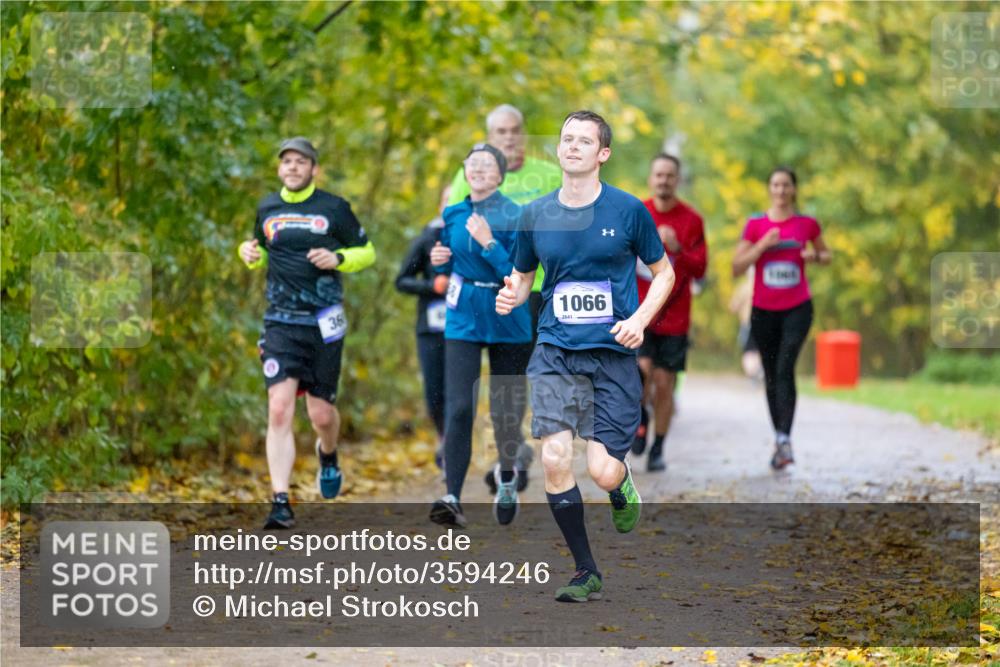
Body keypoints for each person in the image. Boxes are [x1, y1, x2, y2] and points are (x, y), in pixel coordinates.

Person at [496, 111, 675, 602]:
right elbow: (524, 276)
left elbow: (665, 274)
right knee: (554, 456)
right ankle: (584, 569)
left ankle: (621, 485)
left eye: (584, 140)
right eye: (566, 138)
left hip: (611, 354)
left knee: (601, 470)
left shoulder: (628, 211)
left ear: (603, 154)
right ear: (558, 149)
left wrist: (639, 320)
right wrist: (511, 294)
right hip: (554, 349)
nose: (572, 146)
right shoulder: (534, 213)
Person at [238, 137, 376, 529]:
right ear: (280, 169)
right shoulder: (268, 207)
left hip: (324, 323)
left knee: (321, 414)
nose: (293, 168)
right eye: (287, 162)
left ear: (313, 168)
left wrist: (340, 258)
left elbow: (368, 252)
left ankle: (328, 455)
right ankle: (280, 501)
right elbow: (262, 249)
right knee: (279, 407)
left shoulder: (335, 208)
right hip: (280, 321)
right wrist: (247, 254)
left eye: (301, 162)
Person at [446, 104, 563, 493]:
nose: (509, 137)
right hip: (476, 296)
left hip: (535, 289)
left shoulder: (547, 176)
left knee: (513, 382)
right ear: (489, 137)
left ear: (524, 134)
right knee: (469, 391)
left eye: (515, 130)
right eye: (501, 132)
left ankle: (507, 455)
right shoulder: (470, 175)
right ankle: (507, 458)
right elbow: (449, 228)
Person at [429, 143, 533, 528]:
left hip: (506, 313)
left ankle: (507, 474)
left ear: (501, 175)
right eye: (472, 164)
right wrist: (440, 259)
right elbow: (454, 257)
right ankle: (452, 496)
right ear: (465, 170)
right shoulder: (453, 212)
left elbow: (519, 274)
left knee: (505, 412)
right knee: (459, 407)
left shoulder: (517, 214)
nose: (478, 170)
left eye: (487, 165)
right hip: (464, 316)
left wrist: (489, 243)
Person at [731, 167, 831, 470]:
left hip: (798, 307)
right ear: (769, 189)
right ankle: (780, 438)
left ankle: (785, 438)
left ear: (794, 190)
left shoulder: (807, 224)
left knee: (786, 365)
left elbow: (826, 256)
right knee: (772, 374)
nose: (781, 190)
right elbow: (736, 266)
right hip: (763, 310)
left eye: (786, 185)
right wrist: (762, 246)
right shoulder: (756, 225)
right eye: (775, 185)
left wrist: (815, 257)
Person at [632, 154, 707, 472]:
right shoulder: (637, 213)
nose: (663, 180)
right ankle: (640, 420)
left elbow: (701, 268)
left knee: (664, 383)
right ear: (651, 178)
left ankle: (658, 448)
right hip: (639, 311)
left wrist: (677, 248)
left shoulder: (691, 220)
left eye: (670, 176)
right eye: (658, 175)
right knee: (640, 373)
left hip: (675, 315)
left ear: (677, 180)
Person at [395, 185, 452, 472]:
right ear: (440, 203)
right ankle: (443, 437)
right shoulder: (427, 238)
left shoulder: (476, 236)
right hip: (430, 328)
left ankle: (454, 442)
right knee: (434, 390)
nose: (452, 203)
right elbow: (401, 280)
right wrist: (432, 286)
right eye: (448, 198)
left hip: (464, 328)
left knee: (459, 389)